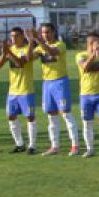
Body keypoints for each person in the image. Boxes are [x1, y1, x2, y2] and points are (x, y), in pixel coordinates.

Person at [33, 24, 79, 156]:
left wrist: (38, 40)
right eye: (43, 33)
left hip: (60, 82)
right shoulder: (40, 47)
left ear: (54, 32)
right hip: (47, 83)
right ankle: (54, 146)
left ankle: (75, 145)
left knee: (66, 114)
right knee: (51, 116)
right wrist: (31, 41)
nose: (45, 35)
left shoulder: (60, 45)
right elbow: (29, 58)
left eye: (48, 32)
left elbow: (52, 52)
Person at [0, 27, 38, 154]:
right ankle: (19, 144)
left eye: (16, 36)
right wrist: (4, 52)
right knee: (11, 116)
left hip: (26, 89)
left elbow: (21, 63)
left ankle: (32, 146)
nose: (13, 38)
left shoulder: (27, 49)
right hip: (13, 90)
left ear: (22, 37)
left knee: (30, 117)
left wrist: (8, 51)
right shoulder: (11, 49)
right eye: (12, 36)